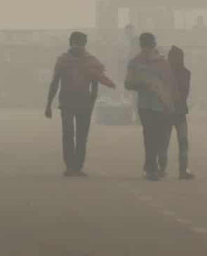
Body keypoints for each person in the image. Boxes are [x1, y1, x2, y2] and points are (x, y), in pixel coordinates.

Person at [45, 32, 115, 176]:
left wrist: (92, 101)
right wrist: (48, 104)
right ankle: (70, 166)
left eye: (81, 43)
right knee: (68, 133)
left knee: (82, 136)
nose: (78, 46)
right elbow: (55, 83)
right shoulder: (63, 61)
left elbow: (95, 82)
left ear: (85, 44)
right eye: (76, 42)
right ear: (71, 43)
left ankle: (78, 166)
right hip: (67, 102)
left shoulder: (90, 61)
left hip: (84, 103)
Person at [125, 32, 177, 181]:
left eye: (149, 47)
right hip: (146, 106)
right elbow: (128, 84)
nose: (147, 50)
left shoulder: (163, 63)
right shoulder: (135, 63)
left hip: (163, 104)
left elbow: (171, 84)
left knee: (162, 137)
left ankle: (161, 162)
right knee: (150, 136)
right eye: (145, 47)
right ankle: (151, 168)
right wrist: (143, 84)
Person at [164, 46, 195, 180]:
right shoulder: (185, 73)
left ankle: (161, 168)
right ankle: (183, 170)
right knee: (182, 142)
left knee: (164, 142)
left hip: (167, 110)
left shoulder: (165, 72)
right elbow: (184, 93)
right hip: (180, 111)